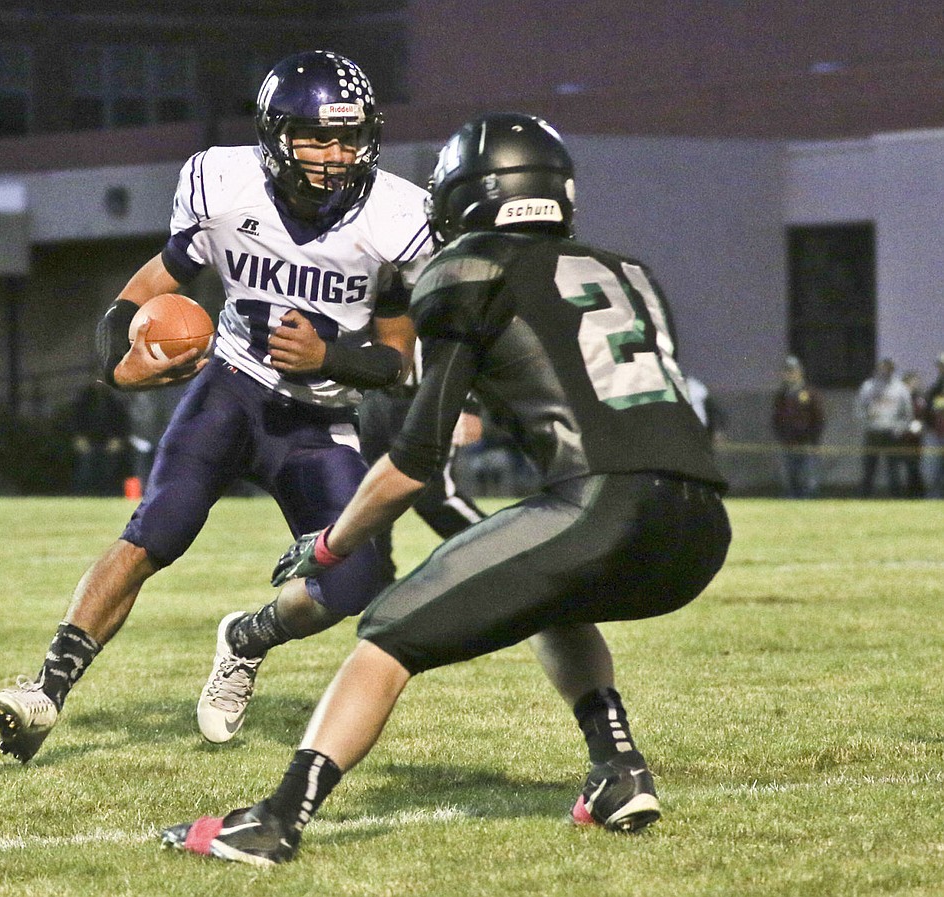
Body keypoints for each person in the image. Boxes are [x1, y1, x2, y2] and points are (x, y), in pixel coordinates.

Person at [161, 112, 732, 865]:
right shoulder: (631, 272)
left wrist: (331, 545)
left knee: (385, 635)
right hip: (701, 521)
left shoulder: (467, 271)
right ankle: (619, 770)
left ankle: (275, 820)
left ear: (470, 195)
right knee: (548, 598)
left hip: (603, 504)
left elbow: (413, 462)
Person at [0, 50, 429, 761]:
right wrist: (116, 366)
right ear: (276, 135)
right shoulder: (225, 185)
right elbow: (148, 283)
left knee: (357, 580)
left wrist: (332, 358)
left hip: (317, 420)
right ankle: (46, 690)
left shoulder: (396, 216)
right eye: (317, 136)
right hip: (233, 387)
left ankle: (247, 638)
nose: (336, 155)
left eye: (349, 137)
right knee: (157, 527)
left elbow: (400, 361)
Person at [358, 344, 487, 567]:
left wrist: (468, 404)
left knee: (433, 497)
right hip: (372, 397)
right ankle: (376, 585)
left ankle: (502, 550)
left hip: (427, 395)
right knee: (366, 498)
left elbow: (463, 341)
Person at [855, 358, 914, 497]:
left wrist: (900, 428)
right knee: (869, 467)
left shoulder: (900, 388)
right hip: (873, 431)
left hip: (892, 433)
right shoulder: (868, 386)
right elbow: (858, 408)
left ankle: (896, 498)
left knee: (893, 468)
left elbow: (907, 413)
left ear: (892, 369)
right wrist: (866, 419)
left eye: (888, 368)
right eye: (882, 367)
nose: (884, 370)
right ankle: (864, 497)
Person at [771, 356, 825, 498]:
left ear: (800, 372)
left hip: (806, 443)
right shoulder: (782, 394)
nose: (789, 374)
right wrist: (781, 435)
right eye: (787, 371)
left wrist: (813, 438)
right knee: (790, 477)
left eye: (792, 371)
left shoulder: (809, 392)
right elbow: (776, 417)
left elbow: (818, 417)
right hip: (787, 442)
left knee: (808, 478)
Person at [69, 380, 129, 496]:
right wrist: (79, 438)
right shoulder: (84, 400)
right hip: (88, 440)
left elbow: (121, 422)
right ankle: (82, 494)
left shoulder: (113, 401)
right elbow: (75, 420)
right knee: (86, 466)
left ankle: (107, 493)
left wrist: (117, 439)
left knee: (110, 466)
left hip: (108, 441)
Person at [926, 353, 944, 497]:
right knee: (936, 467)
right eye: (940, 366)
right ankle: (935, 497)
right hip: (938, 433)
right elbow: (929, 407)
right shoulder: (936, 387)